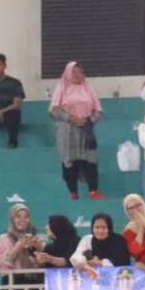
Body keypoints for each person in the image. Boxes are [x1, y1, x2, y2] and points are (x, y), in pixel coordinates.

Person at [48, 61, 103, 199]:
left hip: (86, 128)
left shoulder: (88, 88)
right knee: (69, 159)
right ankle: (73, 192)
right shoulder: (62, 87)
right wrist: (71, 118)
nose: (79, 75)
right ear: (68, 73)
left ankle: (93, 191)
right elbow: (54, 109)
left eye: (81, 72)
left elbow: (98, 111)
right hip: (67, 130)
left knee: (90, 159)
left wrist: (89, 120)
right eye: (74, 72)